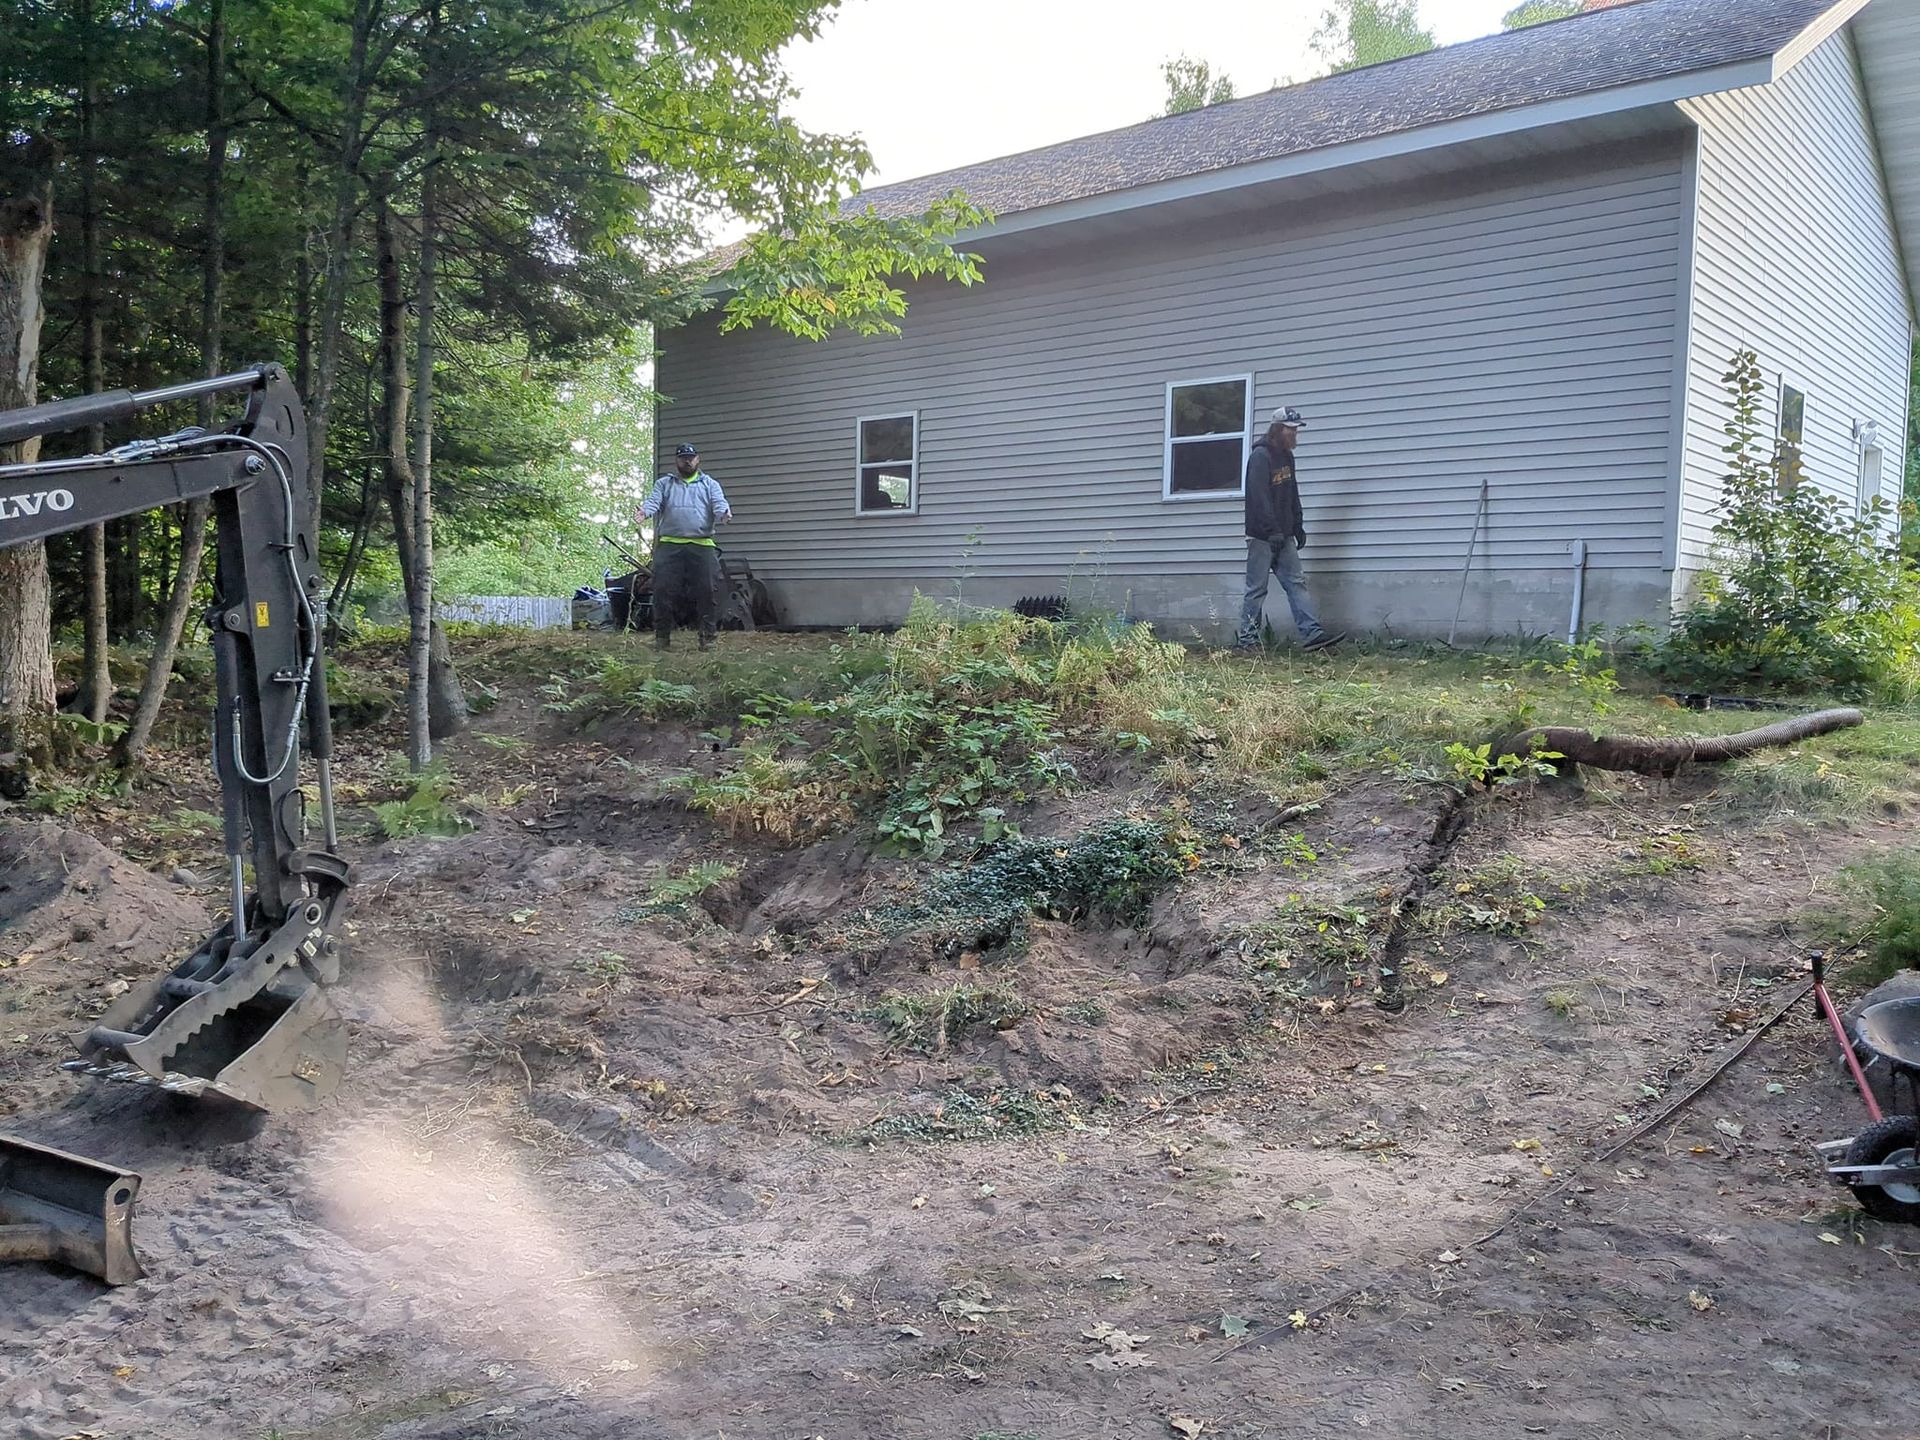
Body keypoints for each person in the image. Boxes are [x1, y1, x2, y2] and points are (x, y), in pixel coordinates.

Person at [1237, 405, 1343, 653]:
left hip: (1283, 535)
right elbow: (1258, 497)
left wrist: (1298, 525)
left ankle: (1312, 634)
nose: (1294, 435)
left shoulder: (1287, 457)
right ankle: (1247, 641)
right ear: (1277, 429)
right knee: (1256, 589)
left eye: (1296, 430)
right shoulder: (1260, 457)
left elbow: (1292, 493)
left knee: (1297, 583)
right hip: (1262, 537)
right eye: (1290, 430)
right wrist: (1271, 529)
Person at [639, 442, 732, 651]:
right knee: (662, 591)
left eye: (691, 458)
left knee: (707, 591)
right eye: (683, 458)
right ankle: (662, 639)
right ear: (677, 461)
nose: (687, 461)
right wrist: (644, 512)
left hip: (702, 545)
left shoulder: (710, 484)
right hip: (670, 545)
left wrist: (724, 514)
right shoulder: (665, 484)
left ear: (698, 460)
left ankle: (707, 638)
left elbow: (719, 503)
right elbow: (653, 502)